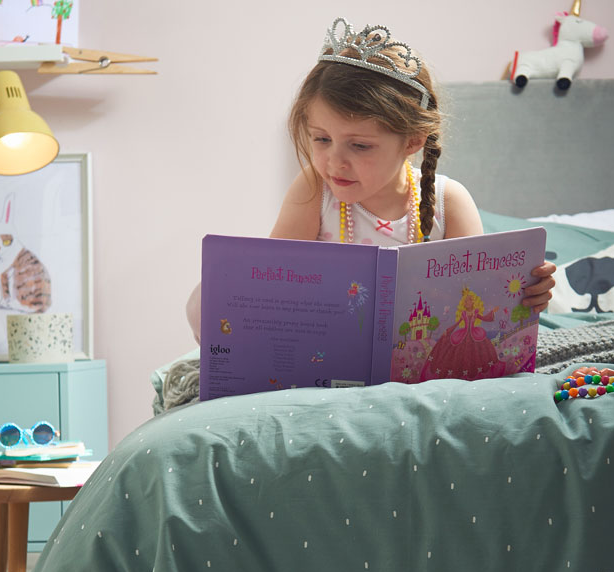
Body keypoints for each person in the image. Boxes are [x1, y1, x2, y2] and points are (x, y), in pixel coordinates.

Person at [187, 16, 556, 343]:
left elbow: (481, 304)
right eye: (321, 139)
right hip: (324, 357)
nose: (334, 162)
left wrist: (526, 295)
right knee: (205, 298)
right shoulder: (314, 191)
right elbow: (271, 286)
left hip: (426, 366)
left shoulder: (449, 201)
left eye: (360, 146)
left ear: (412, 141)